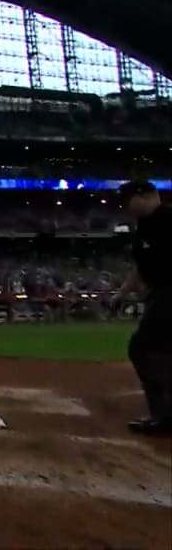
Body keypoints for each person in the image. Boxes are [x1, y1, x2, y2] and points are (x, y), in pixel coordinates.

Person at [112, 180, 172, 435]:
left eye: (128, 200)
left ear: (145, 196)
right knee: (149, 349)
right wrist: (122, 293)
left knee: (146, 348)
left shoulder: (168, 219)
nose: (126, 206)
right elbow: (141, 267)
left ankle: (164, 416)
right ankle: (162, 414)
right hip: (160, 293)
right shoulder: (145, 225)